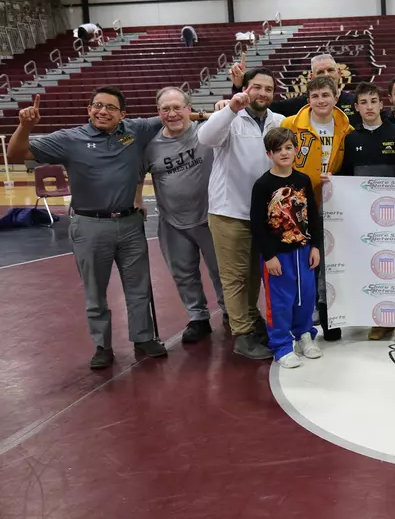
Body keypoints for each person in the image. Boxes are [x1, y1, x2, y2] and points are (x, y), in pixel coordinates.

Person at [7, 89, 167, 369]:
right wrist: (25, 126)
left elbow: (170, 113)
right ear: (89, 109)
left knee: (138, 287)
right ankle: (102, 346)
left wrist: (211, 110)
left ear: (123, 115)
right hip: (89, 225)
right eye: (97, 106)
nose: (102, 111)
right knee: (95, 291)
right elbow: (14, 154)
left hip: (130, 224)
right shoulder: (70, 139)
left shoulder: (136, 130)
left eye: (110, 108)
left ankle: (143, 337)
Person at [199, 67, 284, 360]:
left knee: (253, 275)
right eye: (256, 87)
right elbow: (205, 138)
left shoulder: (279, 121)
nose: (262, 93)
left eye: (268, 89)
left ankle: (250, 319)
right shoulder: (230, 118)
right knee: (234, 277)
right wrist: (229, 109)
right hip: (229, 211)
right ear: (244, 88)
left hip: (263, 216)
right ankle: (242, 334)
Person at [341, 82, 395, 342]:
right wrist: (330, 182)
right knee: (375, 268)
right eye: (363, 102)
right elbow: (345, 176)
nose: (369, 107)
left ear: (382, 104)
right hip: (365, 218)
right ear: (356, 108)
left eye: (373, 101)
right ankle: (381, 319)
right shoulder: (351, 137)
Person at [144, 87, 226, 343]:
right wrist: (136, 200)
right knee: (183, 273)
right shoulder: (150, 146)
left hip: (210, 217)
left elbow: (230, 118)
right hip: (173, 222)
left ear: (189, 108)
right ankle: (198, 317)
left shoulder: (207, 134)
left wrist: (223, 106)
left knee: (222, 271)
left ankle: (231, 312)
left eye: (177, 107)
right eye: (165, 109)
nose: (172, 113)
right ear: (158, 113)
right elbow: (136, 174)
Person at [280, 75, 354, 342]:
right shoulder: (290, 125)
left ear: (336, 97)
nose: (321, 101)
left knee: (327, 264)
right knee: (297, 264)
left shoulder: (346, 128)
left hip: (331, 205)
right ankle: (294, 321)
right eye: (315, 96)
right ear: (308, 99)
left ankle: (328, 317)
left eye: (326, 95)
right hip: (296, 207)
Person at [249, 128, 322, 368]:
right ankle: (281, 345)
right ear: (269, 153)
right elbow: (258, 224)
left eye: (288, 147)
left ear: (296, 150)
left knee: (306, 296)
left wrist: (315, 246)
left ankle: (304, 335)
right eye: (278, 149)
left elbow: (312, 215)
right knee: (280, 302)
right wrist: (269, 256)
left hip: (303, 251)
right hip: (278, 256)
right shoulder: (263, 185)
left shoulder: (302, 180)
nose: (284, 153)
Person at [228, 53, 357, 119]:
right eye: (320, 72)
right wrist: (239, 87)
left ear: (339, 73)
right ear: (311, 77)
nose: (326, 75)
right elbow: (260, 104)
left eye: (330, 70)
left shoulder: (355, 102)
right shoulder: (297, 105)